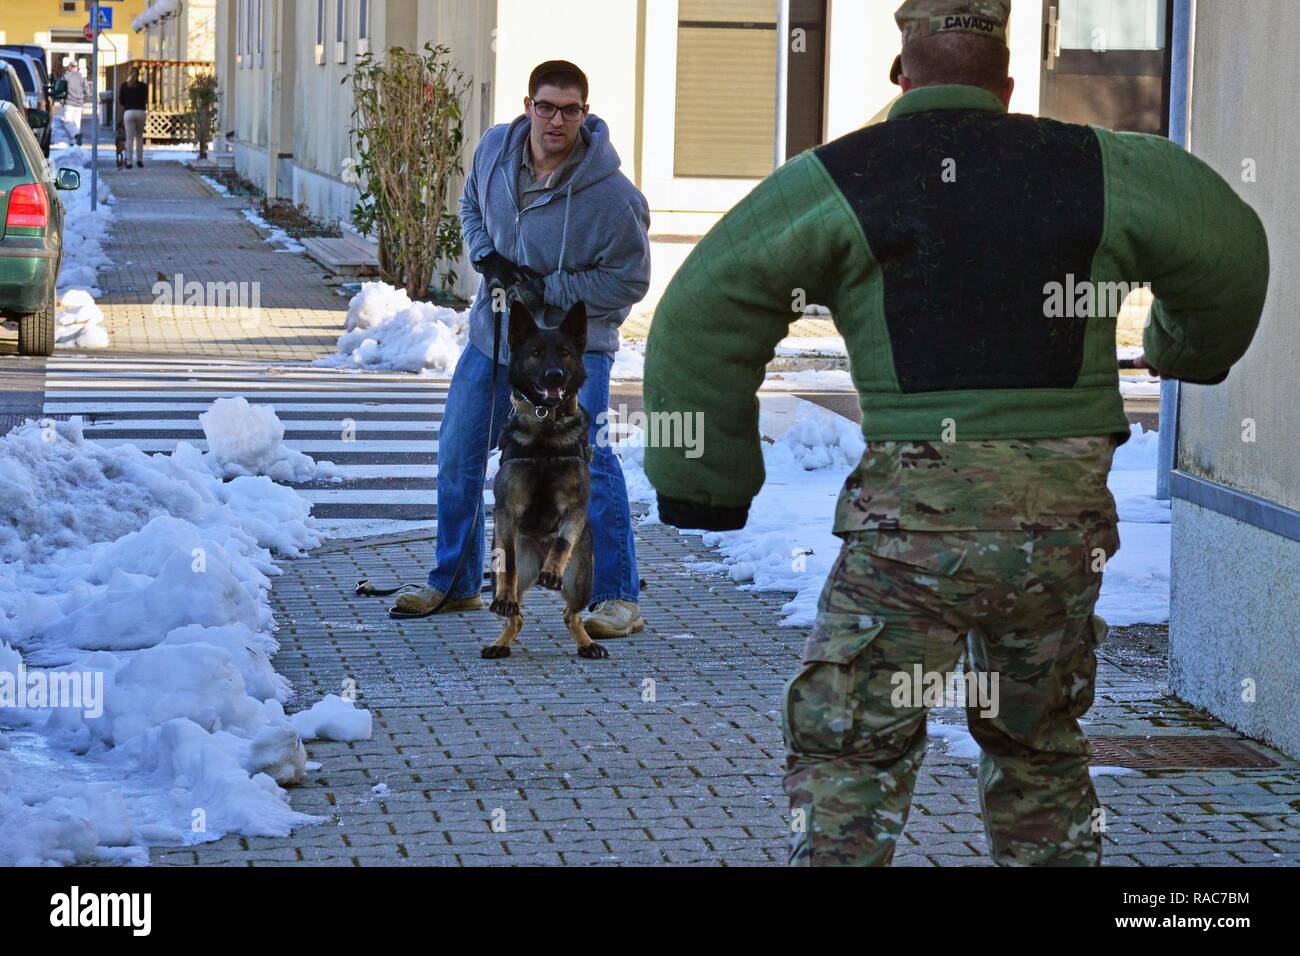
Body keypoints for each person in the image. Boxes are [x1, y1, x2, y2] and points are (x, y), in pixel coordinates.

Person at [643, 0, 1269, 866]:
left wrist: (702, 481)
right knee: (1039, 746)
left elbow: (703, 308)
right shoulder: (1100, 166)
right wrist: (1182, 348)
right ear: (1007, 86)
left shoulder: (841, 176)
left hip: (910, 539)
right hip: (1059, 538)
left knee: (852, 752)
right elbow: (1228, 246)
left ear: (900, 77)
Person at [394, 60, 652, 639]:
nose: (555, 120)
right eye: (545, 106)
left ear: (585, 114)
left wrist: (551, 289)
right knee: (459, 451)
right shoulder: (494, 151)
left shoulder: (611, 196)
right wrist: (486, 257)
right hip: (498, 338)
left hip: (571, 354)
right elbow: (468, 207)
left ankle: (618, 598)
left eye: (569, 109)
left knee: (591, 465)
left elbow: (630, 278)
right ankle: (455, 583)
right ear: (528, 105)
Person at [119, 66, 148, 169]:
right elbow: (145, 99)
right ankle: (139, 160)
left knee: (129, 138)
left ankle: (129, 161)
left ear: (129, 74)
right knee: (139, 137)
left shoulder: (124, 86)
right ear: (139, 75)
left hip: (129, 112)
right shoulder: (143, 86)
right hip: (140, 112)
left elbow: (121, 101)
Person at [56, 57, 88, 147]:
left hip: (69, 103)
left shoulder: (66, 77)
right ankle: (75, 143)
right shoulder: (82, 77)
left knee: (67, 122)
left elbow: (61, 89)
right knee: (76, 124)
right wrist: (84, 99)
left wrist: (60, 100)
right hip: (79, 104)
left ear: (70, 67)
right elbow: (87, 90)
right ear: (77, 67)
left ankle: (75, 136)